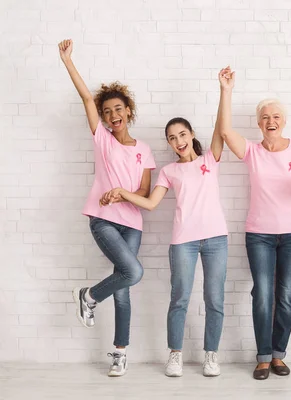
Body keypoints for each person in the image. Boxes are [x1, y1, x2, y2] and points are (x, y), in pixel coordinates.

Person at [104, 115, 228, 378]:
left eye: (182, 135)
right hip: (183, 241)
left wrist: (224, 90)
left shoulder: (210, 159)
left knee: (214, 299)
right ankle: (175, 354)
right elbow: (150, 203)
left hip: (216, 239)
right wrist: (123, 192)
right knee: (179, 298)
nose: (178, 141)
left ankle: (211, 355)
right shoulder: (169, 171)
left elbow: (221, 125)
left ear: (192, 134)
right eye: (172, 138)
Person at [59, 39, 155, 377]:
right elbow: (87, 97)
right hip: (103, 220)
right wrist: (68, 61)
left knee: (125, 285)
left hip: (132, 223)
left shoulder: (144, 148)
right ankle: (88, 296)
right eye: (107, 111)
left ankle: (119, 352)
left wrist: (122, 194)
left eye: (118, 109)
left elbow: (143, 191)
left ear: (129, 110)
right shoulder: (102, 139)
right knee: (134, 272)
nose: (113, 115)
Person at [217, 66, 291, 380]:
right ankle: (262, 356)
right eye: (265, 117)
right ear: (259, 124)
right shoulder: (252, 151)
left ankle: (278, 355)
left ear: (283, 121)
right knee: (262, 293)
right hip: (259, 234)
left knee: (285, 295)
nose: (270, 121)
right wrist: (226, 90)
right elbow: (224, 132)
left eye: (275, 116)